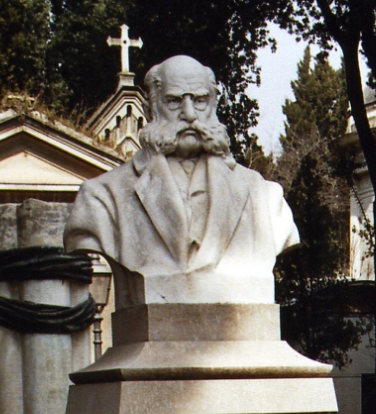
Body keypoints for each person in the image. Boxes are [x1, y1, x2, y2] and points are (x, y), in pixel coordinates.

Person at [65, 55, 299, 306]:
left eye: (200, 101)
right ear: (151, 109)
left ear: (213, 105)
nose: (189, 114)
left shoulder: (264, 199)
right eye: (174, 102)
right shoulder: (103, 199)